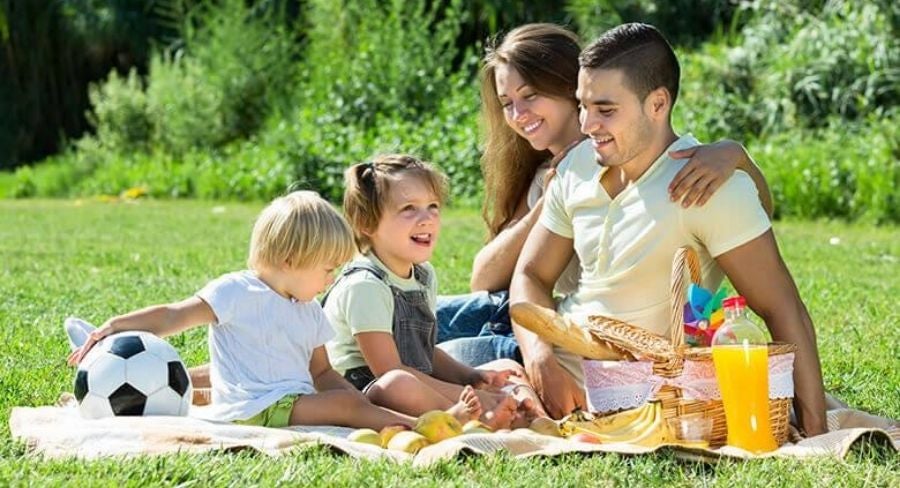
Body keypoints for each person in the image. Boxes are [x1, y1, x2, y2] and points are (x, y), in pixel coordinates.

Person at [508, 23, 827, 436]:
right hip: (530, 351)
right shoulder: (577, 166)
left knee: (420, 369)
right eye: (582, 105)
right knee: (440, 348)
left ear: (657, 104)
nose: (586, 124)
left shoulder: (707, 185)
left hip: (632, 391)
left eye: (605, 110)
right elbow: (530, 274)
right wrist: (539, 359)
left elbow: (783, 308)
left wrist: (818, 432)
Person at [436, 23, 774, 368]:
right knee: (400, 320)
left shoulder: (628, 156)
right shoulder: (554, 172)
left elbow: (752, 217)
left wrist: (737, 156)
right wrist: (551, 197)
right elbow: (485, 277)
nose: (518, 115)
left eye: (531, 95)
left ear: (571, 88)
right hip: (526, 316)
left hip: (558, 332)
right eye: (507, 102)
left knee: (412, 348)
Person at [66, 191, 444, 429]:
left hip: (289, 403)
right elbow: (172, 316)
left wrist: (357, 405)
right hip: (253, 408)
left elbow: (322, 372)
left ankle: (411, 421)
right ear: (292, 258)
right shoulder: (236, 291)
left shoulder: (309, 309)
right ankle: (422, 427)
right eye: (327, 269)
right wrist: (114, 325)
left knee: (349, 401)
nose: (331, 279)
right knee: (346, 405)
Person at [322, 155, 533, 430]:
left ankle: (475, 408)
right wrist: (466, 395)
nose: (427, 219)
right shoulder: (365, 285)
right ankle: (466, 416)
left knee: (503, 367)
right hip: (361, 392)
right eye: (409, 208)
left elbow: (423, 351)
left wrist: (471, 376)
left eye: (432, 206)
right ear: (367, 223)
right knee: (399, 384)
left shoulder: (422, 275)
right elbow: (388, 371)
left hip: (409, 379)